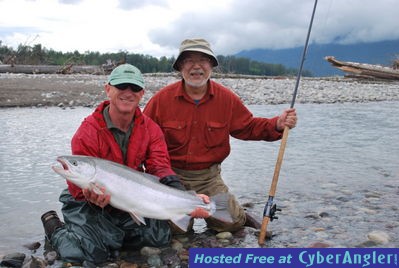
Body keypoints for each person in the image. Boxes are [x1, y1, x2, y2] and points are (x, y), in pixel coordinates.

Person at [41, 64, 209, 265]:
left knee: (159, 238)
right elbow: (77, 189)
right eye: (121, 87)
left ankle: (110, 234)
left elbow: (160, 167)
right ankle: (54, 228)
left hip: (130, 194)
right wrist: (89, 196)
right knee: (87, 253)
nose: (128, 93)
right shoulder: (87, 132)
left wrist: (187, 197)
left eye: (134, 89)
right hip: (85, 200)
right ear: (108, 89)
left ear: (142, 94)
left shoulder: (151, 129)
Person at [143, 38, 297, 233]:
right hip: (170, 177)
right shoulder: (161, 100)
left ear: (212, 66)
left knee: (231, 223)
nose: (196, 67)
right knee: (173, 231)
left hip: (209, 177)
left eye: (203, 61)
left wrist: (276, 124)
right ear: (180, 66)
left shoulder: (226, 98)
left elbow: (248, 127)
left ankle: (239, 212)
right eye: (189, 60)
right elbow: (141, 138)